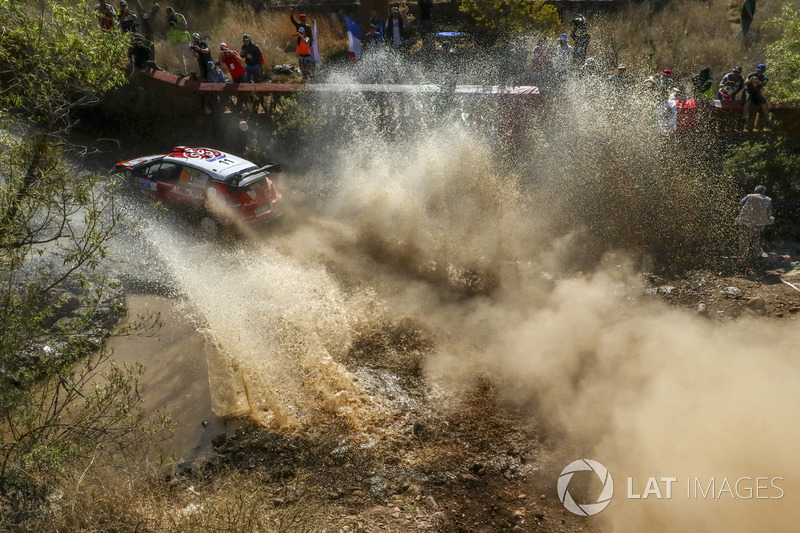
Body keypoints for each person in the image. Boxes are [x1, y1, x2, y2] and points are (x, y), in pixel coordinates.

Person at [736, 185, 773, 261]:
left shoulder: (749, 196)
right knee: (756, 239)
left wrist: (743, 213)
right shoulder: (768, 200)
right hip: (759, 224)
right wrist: (769, 219)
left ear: (755, 191)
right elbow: (769, 212)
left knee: (744, 241)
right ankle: (758, 256)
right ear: (763, 192)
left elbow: (740, 205)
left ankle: (742, 259)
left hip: (745, 222)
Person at [742, 63, 771, 130]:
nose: (759, 72)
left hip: (756, 93)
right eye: (758, 71)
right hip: (748, 91)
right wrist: (750, 81)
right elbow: (746, 83)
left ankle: (767, 120)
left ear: (763, 71)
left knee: (764, 102)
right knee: (748, 100)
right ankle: (744, 117)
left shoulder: (764, 77)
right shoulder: (751, 75)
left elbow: (764, 83)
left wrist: (758, 83)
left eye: (761, 71)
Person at [165, 6, 192, 73]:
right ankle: (184, 72)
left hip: (184, 40)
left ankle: (193, 72)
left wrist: (176, 26)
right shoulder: (166, 19)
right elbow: (165, 29)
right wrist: (168, 25)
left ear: (174, 12)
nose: (171, 16)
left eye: (172, 15)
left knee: (190, 56)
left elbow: (185, 27)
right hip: (175, 42)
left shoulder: (180, 17)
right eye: (169, 15)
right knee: (180, 59)